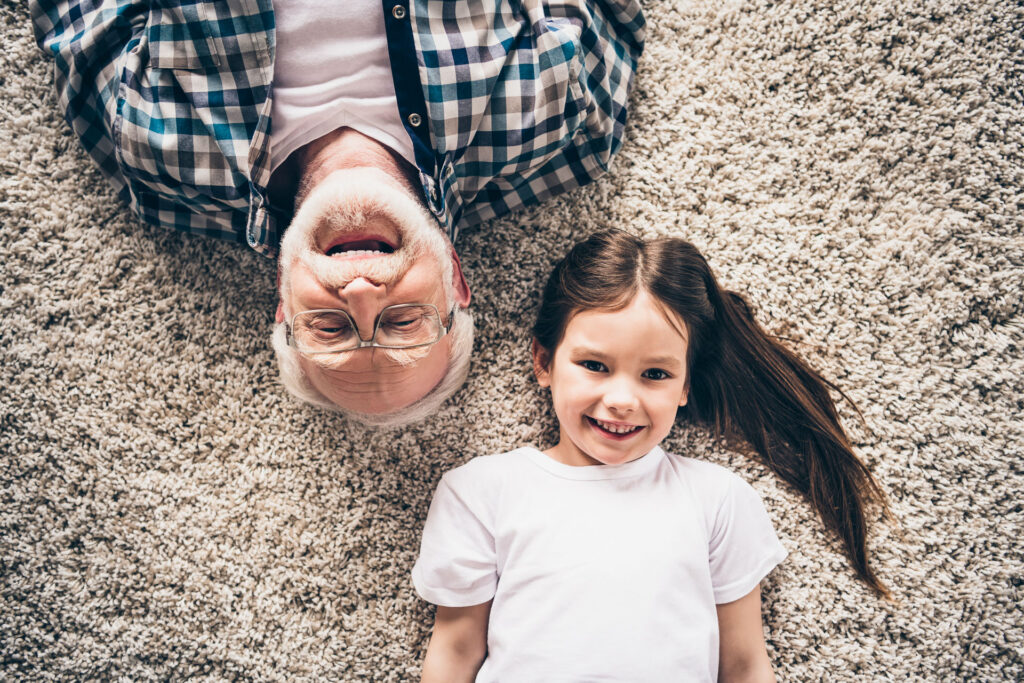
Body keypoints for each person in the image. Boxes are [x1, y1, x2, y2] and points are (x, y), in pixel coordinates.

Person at [30, 0, 645, 425]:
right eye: (403, 322)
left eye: (330, 330)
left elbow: (78, 18)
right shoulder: (560, 131)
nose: (359, 294)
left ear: (282, 300)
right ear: (456, 279)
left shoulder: (160, 165)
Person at [412, 230, 889, 681]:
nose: (622, 400)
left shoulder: (718, 500)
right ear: (544, 362)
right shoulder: (481, 491)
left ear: (685, 385)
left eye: (656, 374)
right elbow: (455, 650)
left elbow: (743, 665)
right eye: (595, 366)